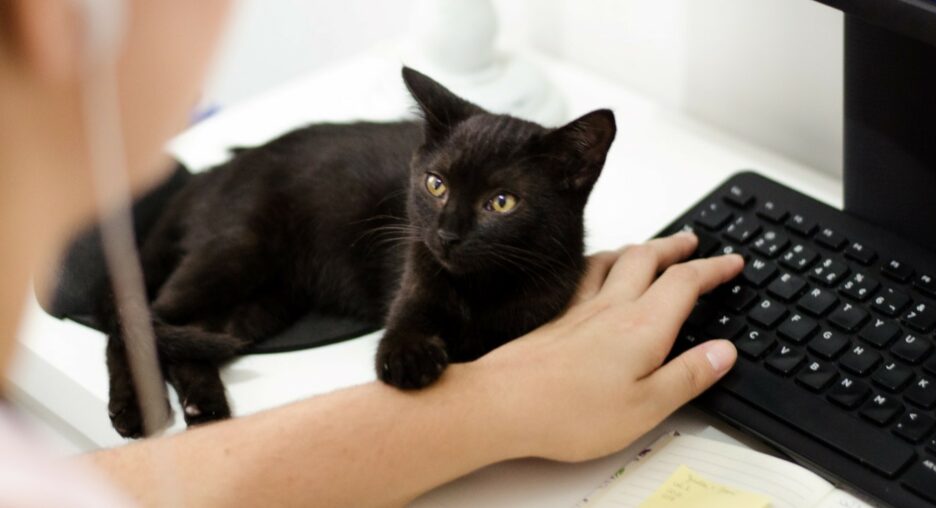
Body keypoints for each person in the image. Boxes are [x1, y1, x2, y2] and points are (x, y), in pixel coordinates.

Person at [0, 1, 743, 506]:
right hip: (285, 192)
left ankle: (182, 352)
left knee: (258, 308)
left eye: (499, 205)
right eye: (437, 187)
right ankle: (145, 331)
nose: (445, 228)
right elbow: (406, 340)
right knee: (227, 272)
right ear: (59, 22)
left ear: (577, 174)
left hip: (316, 268)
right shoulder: (426, 233)